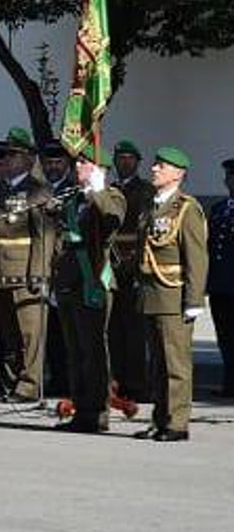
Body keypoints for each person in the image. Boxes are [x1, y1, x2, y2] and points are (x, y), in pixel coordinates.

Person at [135, 147, 208, 442]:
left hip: (173, 294)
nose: (154, 169)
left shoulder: (187, 208)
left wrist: (194, 300)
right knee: (157, 365)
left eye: (161, 166)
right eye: (155, 165)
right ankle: (159, 418)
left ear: (178, 174)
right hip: (151, 294)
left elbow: (197, 258)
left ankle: (177, 422)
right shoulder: (150, 206)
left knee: (175, 363)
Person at [53, 144, 125, 433]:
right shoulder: (74, 199)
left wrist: (97, 190)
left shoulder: (112, 196)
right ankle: (81, 407)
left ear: (98, 170)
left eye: (83, 163)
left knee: (94, 349)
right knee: (76, 350)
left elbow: (112, 220)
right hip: (69, 283)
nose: (77, 167)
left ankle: (97, 411)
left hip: (94, 281)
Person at [0, 128, 52, 403]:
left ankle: (29, 384)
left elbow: (43, 236)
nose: (8, 160)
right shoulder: (0, 190)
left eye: (14, 155)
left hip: (24, 272)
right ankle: (13, 382)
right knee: (8, 333)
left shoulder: (37, 191)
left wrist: (38, 273)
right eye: (7, 155)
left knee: (29, 333)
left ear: (28, 159)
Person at [109, 139, 155, 403]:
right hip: (111, 264)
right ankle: (117, 381)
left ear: (137, 162)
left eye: (129, 158)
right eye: (120, 158)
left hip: (133, 263)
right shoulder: (111, 189)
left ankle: (137, 384)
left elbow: (144, 230)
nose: (124, 163)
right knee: (114, 327)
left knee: (135, 330)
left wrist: (139, 264)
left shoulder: (145, 190)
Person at [40, 139, 76, 397]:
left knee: (67, 330)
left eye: (58, 162)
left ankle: (68, 380)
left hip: (64, 266)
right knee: (49, 329)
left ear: (66, 164)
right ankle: (55, 377)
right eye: (49, 162)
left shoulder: (73, 190)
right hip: (41, 267)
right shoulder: (38, 190)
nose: (53, 166)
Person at [208, 158, 234, 397]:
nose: (229, 181)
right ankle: (229, 381)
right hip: (220, 285)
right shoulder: (218, 209)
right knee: (224, 335)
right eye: (229, 177)